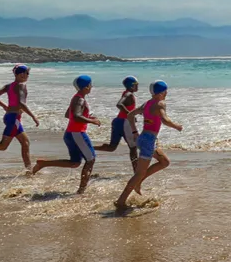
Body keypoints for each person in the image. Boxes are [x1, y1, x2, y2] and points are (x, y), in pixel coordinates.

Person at [115, 81, 183, 211]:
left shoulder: (147, 103)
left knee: (164, 162)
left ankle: (139, 182)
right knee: (139, 173)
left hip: (144, 139)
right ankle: (121, 201)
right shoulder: (160, 103)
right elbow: (165, 120)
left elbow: (130, 115)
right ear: (161, 92)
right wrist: (176, 126)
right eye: (166, 91)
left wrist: (135, 132)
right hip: (148, 140)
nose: (167, 93)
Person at [31, 75, 101, 193]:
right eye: (90, 84)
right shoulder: (80, 99)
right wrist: (92, 121)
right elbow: (77, 117)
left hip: (70, 134)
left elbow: (68, 115)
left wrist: (87, 117)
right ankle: (81, 191)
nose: (92, 87)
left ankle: (44, 163)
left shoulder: (77, 97)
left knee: (75, 163)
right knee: (91, 159)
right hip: (77, 133)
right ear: (86, 86)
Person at [94, 76, 140, 168]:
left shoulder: (126, 93)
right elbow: (119, 104)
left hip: (118, 121)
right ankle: (137, 172)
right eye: (136, 85)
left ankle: (90, 148)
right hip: (125, 123)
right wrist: (130, 114)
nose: (137, 86)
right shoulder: (129, 94)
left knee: (112, 147)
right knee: (133, 147)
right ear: (131, 86)